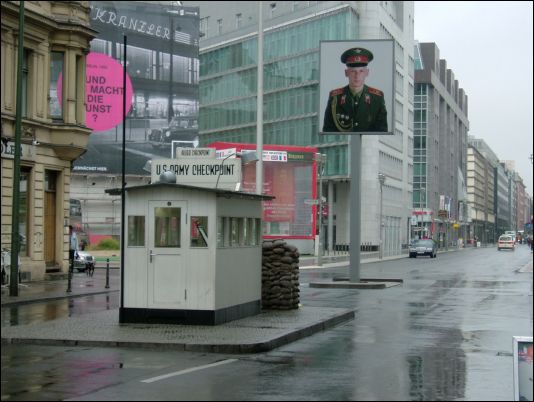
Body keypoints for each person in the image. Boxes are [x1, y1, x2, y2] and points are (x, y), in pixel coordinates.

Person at [323, 47, 388, 132]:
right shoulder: (335, 97)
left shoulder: (377, 97)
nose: (357, 76)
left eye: (361, 71)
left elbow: (382, 130)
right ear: (346, 73)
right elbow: (328, 129)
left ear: (367, 73)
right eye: (353, 71)